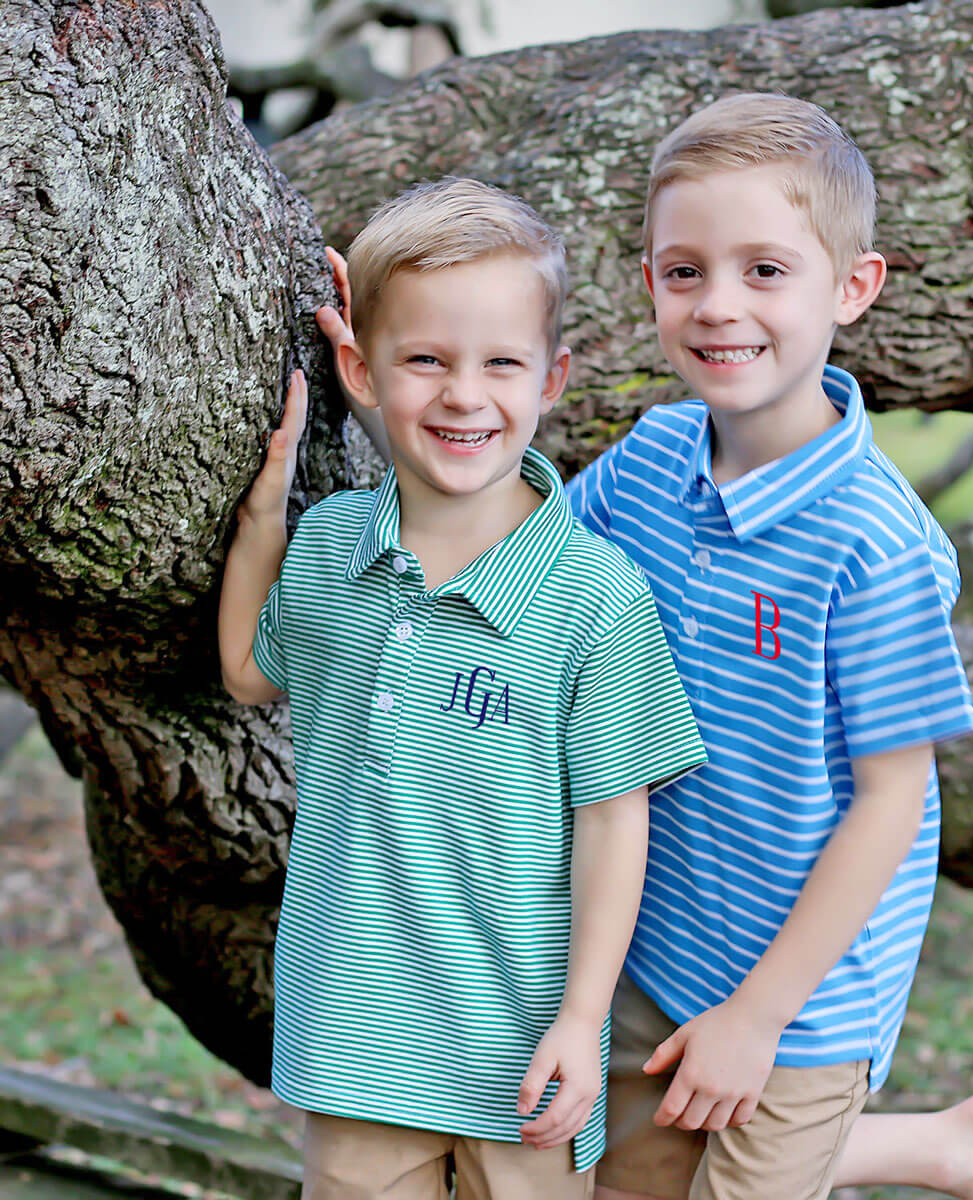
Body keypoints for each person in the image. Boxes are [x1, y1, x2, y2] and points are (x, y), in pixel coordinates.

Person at [316, 96, 973, 1198]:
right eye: (684, 272)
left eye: (765, 271)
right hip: (656, 941)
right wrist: (385, 392)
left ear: (853, 288)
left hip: (802, 995)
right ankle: (949, 1145)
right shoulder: (653, 456)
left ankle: (941, 1149)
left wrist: (757, 1019)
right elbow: (518, 533)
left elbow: (895, 801)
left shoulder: (875, 541)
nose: (719, 307)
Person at [219, 176, 708, 1200]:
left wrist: (582, 1019)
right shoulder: (324, 549)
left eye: (501, 364)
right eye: (425, 360)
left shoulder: (594, 596)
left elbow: (617, 826)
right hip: (353, 1041)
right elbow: (250, 674)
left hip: (522, 1054)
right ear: (360, 366)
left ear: (554, 378)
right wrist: (265, 518)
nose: (462, 395)